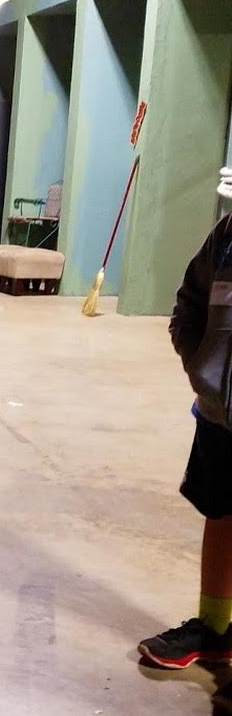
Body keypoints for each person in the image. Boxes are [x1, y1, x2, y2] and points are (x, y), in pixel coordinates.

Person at [138, 175, 232, 670]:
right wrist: (201, 366)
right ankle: (215, 629)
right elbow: (189, 303)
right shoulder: (226, 237)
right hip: (220, 415)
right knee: (219, 515)